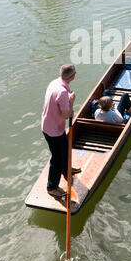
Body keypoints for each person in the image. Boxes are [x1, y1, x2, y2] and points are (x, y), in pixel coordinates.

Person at [41, 64, 81, 198]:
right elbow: (66, 114)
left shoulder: (55, 82)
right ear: (72, 76)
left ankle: (67, 170)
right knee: (57, 158)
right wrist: (71, 101)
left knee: (65, 148)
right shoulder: (63, 92)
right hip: (53, 131)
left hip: (51, 126)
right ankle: (52, 187)